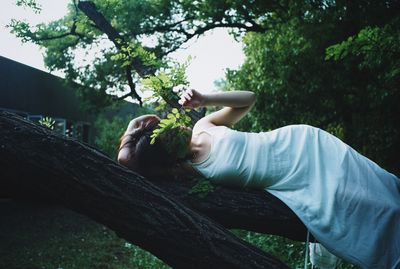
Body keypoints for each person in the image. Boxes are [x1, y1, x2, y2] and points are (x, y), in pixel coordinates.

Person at [118, 89, 400, 269]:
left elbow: (248, 98)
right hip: (293, 180)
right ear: (169, 157)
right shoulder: (189, 172)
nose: (177, 127)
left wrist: (205, 99)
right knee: (371, 209)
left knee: (378, 188)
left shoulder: (204, 125)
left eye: (169, 124)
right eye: (168, 134)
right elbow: (127, 163)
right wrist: (132, 138)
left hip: (304, 143)